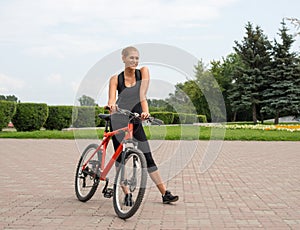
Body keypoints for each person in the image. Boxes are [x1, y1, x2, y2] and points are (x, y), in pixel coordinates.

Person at [107, 46, 179, 204]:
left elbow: (142, 96)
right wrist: (111, 105)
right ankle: (126, 194)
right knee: (120, 158)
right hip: (119, 118)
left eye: (137, 58)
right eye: (131, 58)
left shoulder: (143, 72)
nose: (134, 61)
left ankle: (164, 193)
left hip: (135, 118)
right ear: (123, 58)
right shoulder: (115, 79)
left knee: (147, 156)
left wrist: (145, 112)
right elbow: (112, 99)